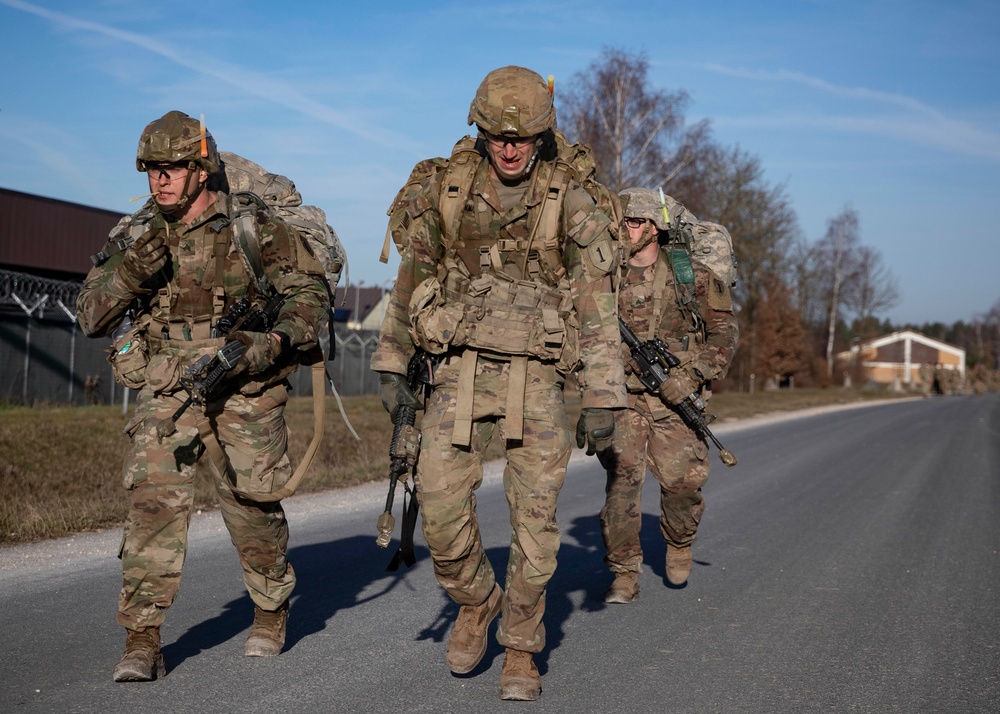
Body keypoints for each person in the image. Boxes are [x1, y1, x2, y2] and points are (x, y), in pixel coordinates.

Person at [371, 66, 626, 701]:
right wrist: (391, 361)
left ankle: (521, 646)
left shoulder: (570, 199)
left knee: (536, 524)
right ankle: (477, 599)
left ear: (543, 135)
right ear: (478, 130)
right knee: (438, 507)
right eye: (495, 135)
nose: (509, 149)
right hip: (457, 368)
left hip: (537, 377)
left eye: (523, 137)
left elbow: (597, 305)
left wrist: (602, 395)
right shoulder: (448, 190)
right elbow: (410, 279)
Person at [76, 111, 328, 681]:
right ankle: (142, 638)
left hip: (246, 383)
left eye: (173, 168)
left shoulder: (251, 226)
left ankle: (270, 608)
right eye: (152, 170)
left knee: (251, 505)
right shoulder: (140, 235)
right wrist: (133, 273)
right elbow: (90, 315)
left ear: (200, 168)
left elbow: (309, 295)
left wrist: (271, 342)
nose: (160, 180)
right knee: (152, 504)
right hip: (169, 387)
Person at [597, 188, 738, 604]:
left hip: (675, 397)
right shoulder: (607, 276)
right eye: (622, 222)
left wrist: (693, 375)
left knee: (682, 484)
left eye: (636, 222)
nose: (627, 229)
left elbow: (725, 334)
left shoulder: (688, 274)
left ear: (656, 229)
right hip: (624, 397)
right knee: (621, 486)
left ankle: (679, 540)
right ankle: (624, 572)